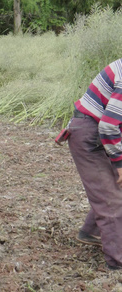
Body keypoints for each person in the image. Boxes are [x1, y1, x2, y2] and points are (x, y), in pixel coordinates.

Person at [66, 58, 122, 270]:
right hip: (90, 134)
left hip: (102, 132)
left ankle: (90, 232)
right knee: (114, 201)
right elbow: (108, 126)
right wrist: (119, 164)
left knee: (111, 190)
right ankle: (117, 263)